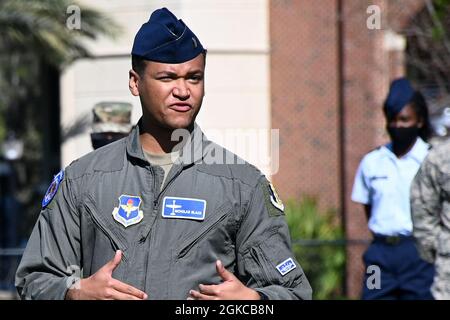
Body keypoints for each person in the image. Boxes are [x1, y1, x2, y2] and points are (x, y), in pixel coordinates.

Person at [15, 7, 312, 300]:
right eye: (167, 78)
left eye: (194, 78)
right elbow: (33, 280)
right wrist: (75, 295)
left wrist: (252, 302)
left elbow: (292, 292)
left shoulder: (242, 185)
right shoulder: (82, 180)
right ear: (135, 82)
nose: (183, 91)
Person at [351, 78, 435, 300]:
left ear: (419, 121)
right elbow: (369, 208)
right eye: (392, 120)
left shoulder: (433, 161)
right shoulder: (372, 161)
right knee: (372, 296)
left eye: (404, 119)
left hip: (419, 256)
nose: (397, 126)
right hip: (379, 256)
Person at [411, 138, 450, 300]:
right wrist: (436, 246)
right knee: (374, 288)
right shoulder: (441, 156)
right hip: (381, 249)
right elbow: (422, 206)